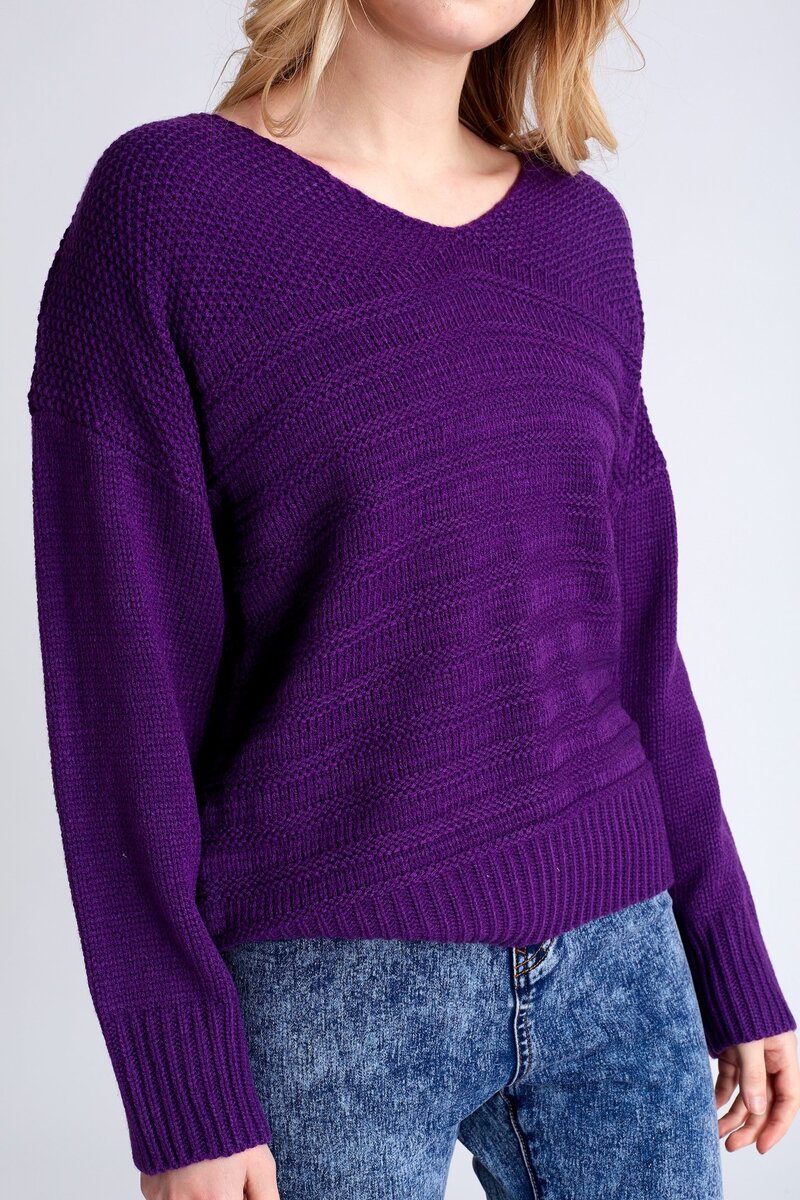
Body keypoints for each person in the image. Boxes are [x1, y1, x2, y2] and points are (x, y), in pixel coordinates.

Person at [26, 2, 799, 1198]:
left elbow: (633, 644)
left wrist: (727, 953)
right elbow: (118, 695)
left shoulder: (579, 235)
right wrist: (180, 1094)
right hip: (327, 995)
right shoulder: (169, 209)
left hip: (621, 966)